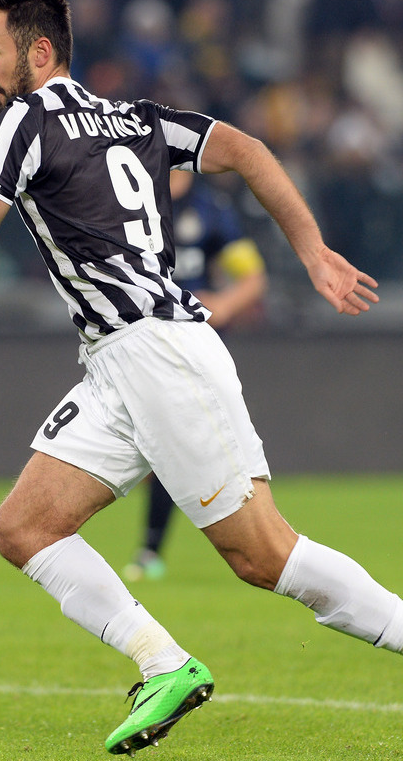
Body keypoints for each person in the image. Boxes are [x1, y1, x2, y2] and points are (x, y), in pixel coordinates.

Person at [0, 0, 403, 756]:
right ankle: (162, 662)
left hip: (161, 352)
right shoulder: (138, 117)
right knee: (24, 527)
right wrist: (312, 252)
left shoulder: (26, 120)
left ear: (38, 52)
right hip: (115, 363)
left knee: (264, 556)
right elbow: (249, 150)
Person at [123, 169, 268, 583]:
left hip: (193, 346)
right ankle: (155, 549)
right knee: (166, 449)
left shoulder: (210, 211)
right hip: (141, 343)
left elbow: (253, 278)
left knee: (171, 448)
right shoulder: (131, 203)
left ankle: (152, 550)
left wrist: (224, 303)